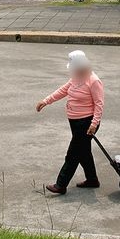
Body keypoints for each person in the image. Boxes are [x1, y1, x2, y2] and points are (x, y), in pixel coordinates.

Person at [36, 50, 105, 195]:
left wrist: (94, 124)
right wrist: (46, 101)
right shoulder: (76, 77)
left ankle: (61, 185)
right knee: (84, 152)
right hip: (75, 123)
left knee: (73, 154)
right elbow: (63, 90)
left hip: (86, 123)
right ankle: (92, 179)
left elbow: (99, 104)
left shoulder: (93, 81)